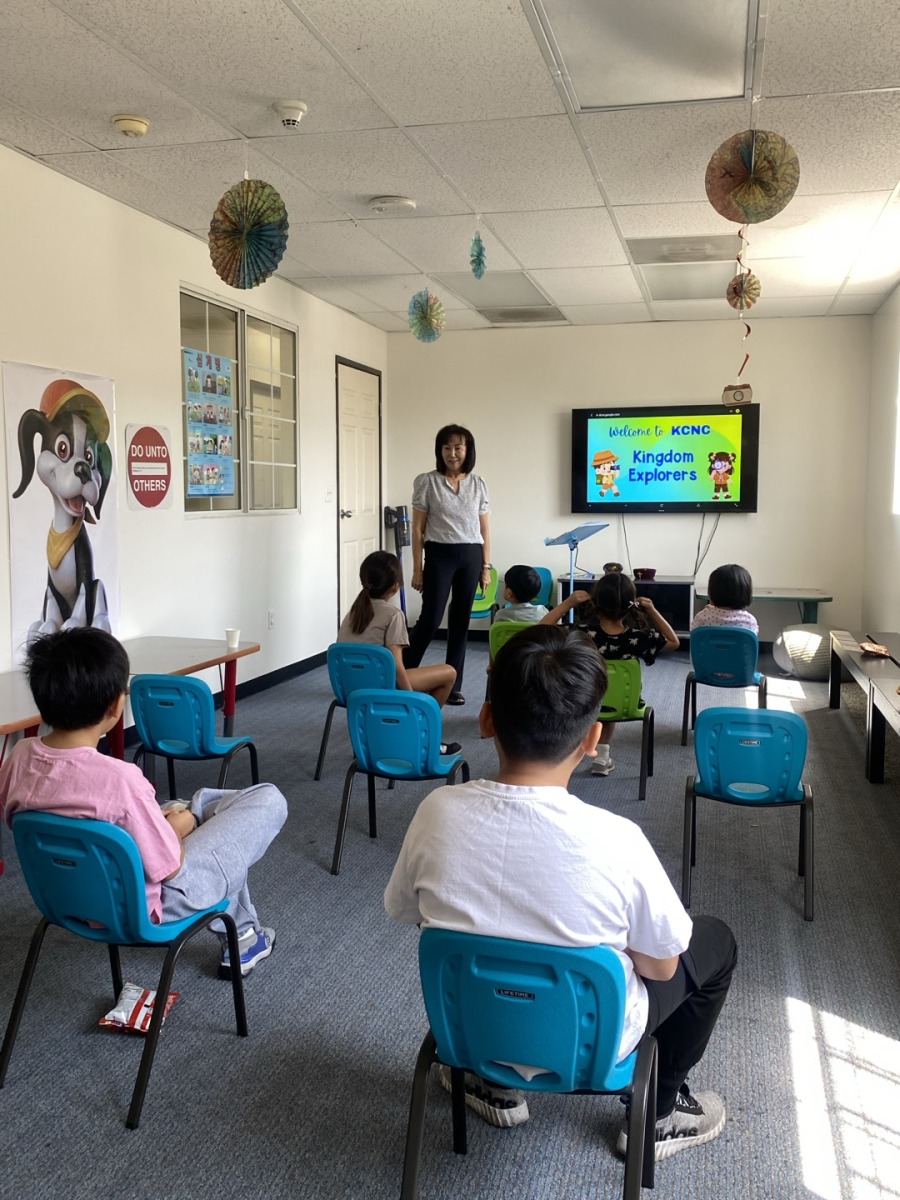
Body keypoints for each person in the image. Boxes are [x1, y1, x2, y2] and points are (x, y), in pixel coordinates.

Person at [384, 625, 736, 1160]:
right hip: (593, 1046)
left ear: (486, 719)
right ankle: (659, 1113)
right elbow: (661, 969)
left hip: (470, 1029)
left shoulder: (436, 811)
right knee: (716, 942)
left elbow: (409, 911)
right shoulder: (618, 839)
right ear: (592, 738)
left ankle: (490, 1080)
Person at [0, 627, 287, 981]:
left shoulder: (18, 757)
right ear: (116, 705)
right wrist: (179, 826)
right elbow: (169, 866)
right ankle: (242, 935)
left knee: (199, 816)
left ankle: (194, 809)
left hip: (63, 898)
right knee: (267, 801)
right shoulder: (121, 780)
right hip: (146, 906)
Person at [541, 571, 679, 775]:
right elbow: (674, 642)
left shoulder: (580, 634)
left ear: (596, 603)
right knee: (612, 693)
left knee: (599, 692)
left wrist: (567, 604)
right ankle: (602, 757)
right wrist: (652, 610)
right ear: (631, 605)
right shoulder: (638, 637)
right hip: (625, 703)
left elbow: (540, 629)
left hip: (582, 700)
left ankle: (572, 753)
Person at [338, 550, 460, 753]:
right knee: (449, 673)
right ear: (395, 586)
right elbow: (396, 666)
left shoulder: (352, 612)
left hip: (351, 688)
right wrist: (412, 700)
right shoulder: (393, 615)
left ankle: (395, 732)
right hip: (381, 685)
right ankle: (419, 731)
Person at [404, 424, 491, 705]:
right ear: (439, 450)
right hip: (439, 554)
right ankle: (402, 674)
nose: (452, 453)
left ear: (468, 450)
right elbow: (417, 529)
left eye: (458, 447)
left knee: (460, 620)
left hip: (471, 555)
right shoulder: (427, 481)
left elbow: (484, 529)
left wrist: (485, 567)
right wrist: (417, 568)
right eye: (447, 447)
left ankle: (453, 685)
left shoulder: (478, 483)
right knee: (430, 618)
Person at [691, 563, 758, 634]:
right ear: (746, 593)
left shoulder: (702, 617)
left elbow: (693, 634)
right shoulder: (749, 621)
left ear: (712, 592)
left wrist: (709, 611)